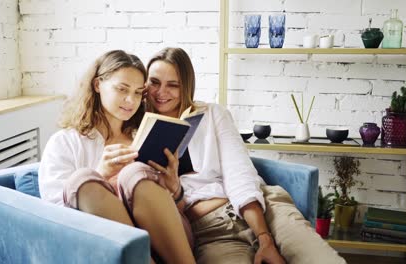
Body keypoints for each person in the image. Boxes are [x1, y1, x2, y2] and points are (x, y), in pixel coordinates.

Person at [145, 47, 346, 264]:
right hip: (212, 230)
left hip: (265, 207)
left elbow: (239, 173)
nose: (161, 92)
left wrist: (264, 237)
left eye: (173, 85)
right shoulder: (136, 134)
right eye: (154, 82)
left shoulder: (213, 114)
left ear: (186, 86)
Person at [38, 50, 195, 264]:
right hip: (109, 244)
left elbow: (177, 211)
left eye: (139, 93)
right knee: (82, 179)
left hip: (169, 241)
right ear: (97, 85)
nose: (131, 100)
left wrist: (173, 188)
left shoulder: (146, 136)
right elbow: (54, 216)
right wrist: (100, 175)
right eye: (122, 89)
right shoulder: (65, 142)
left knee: (134, 172)